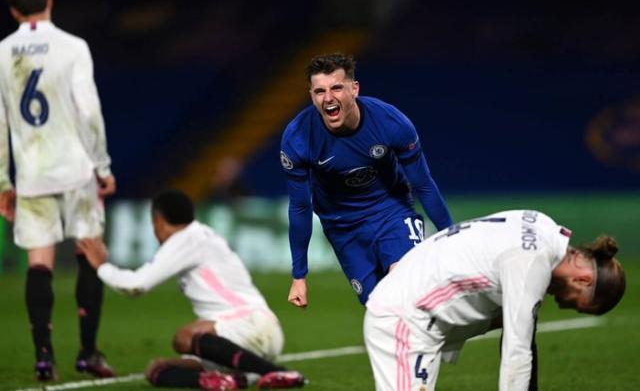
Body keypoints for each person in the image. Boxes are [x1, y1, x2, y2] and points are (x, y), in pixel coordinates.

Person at [0, 0, 116, 381]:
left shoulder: (2, 52)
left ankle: (43, 357)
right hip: (77, 171)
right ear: (49, 1)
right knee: (89, 253)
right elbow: (89, 112)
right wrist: (102, 167)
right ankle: (88, 352)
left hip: (32, 175)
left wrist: (3, 182)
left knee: (39, 264)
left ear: (14, 11)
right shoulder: (73, 47)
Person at [364, 210, 626, 390]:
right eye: (575, 303)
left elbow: (520, 332)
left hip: (418, 312)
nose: (561, 303)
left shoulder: (542, 226)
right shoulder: (532, 262)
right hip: (404, 316)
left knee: (510, 315)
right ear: (584, 280)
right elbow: (517, 353)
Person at [78, 189, 306, 390]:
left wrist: (101, 266)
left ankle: (276, 372)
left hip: (249, 324)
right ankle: (234, 380)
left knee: (185, 337)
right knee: (157, 369)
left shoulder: (187, 239)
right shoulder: (201, 235)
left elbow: (135, 285)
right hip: (245, 334)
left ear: (158, 220)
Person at [280, 53, 453, 307]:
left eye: (336, 88)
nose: (328, 98)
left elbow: (423, 185)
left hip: (391, 212)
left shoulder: (390, 123)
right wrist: (299, 275)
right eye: (319, 91)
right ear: (312, 96)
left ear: (354, 89)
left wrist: (452, 238)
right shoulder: (298, 138)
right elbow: (300, 207)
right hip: (343, 229)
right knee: (380, 310)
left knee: (405, 284)